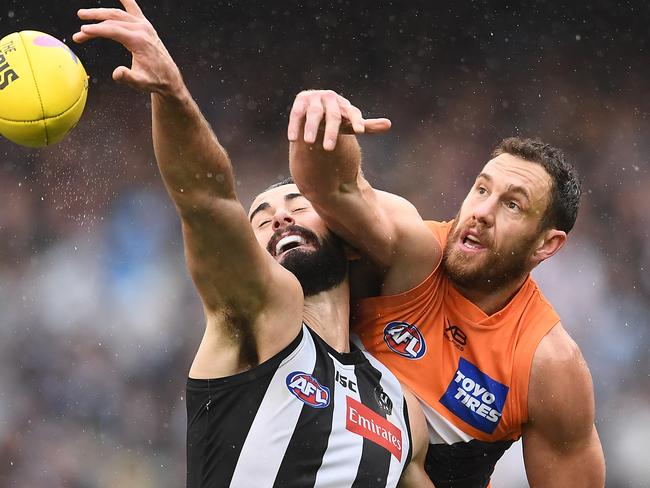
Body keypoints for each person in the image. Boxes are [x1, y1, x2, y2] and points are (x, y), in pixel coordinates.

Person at [72, 3, 433, 488]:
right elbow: (205, 198)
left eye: (297, 205)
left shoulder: (400, 406)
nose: (278, 216)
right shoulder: (261, 316)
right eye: (259, 219)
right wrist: (172, 93)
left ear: (349, 244)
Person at [287, 89, 606, 487]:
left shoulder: (548, 365)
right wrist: (321, 126)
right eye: (482, 189)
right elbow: (335, 190)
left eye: (512, 205)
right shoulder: (412, 252)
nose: (482, 212)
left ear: (547, 244)